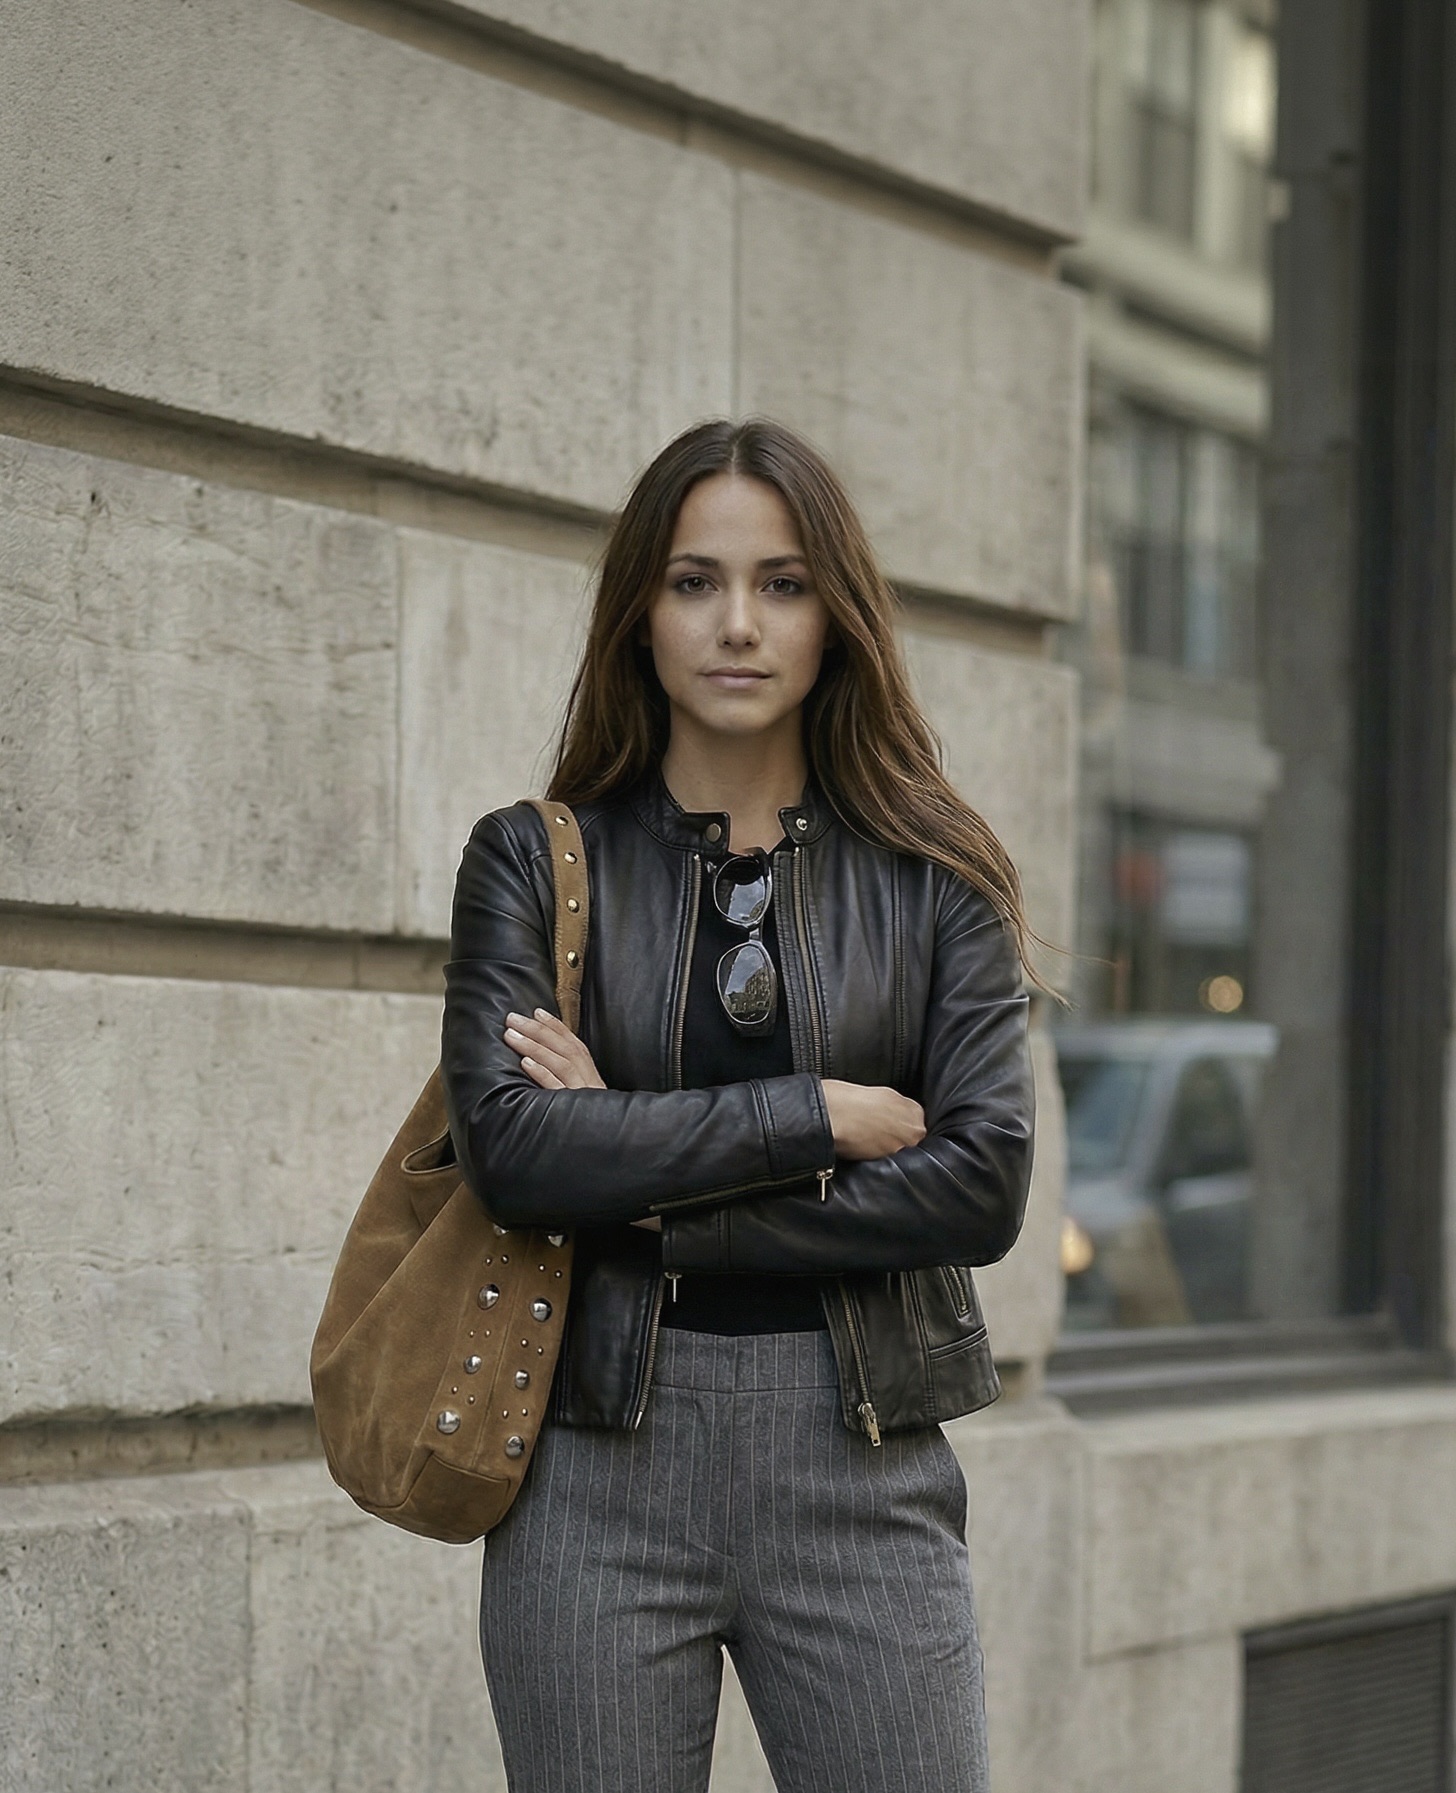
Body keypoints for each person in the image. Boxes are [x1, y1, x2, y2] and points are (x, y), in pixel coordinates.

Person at [442, 418, 1035, 1793]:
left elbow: (981, 1183)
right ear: (639, 611)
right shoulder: (531, 859)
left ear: (835, 617)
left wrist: (642, 1182)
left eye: (782, 583)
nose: (738, 623)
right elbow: (519, 1153)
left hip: (861, 1465)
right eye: (694, 579)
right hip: (594, 1471)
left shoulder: (937, 877)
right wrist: (814, 1112)